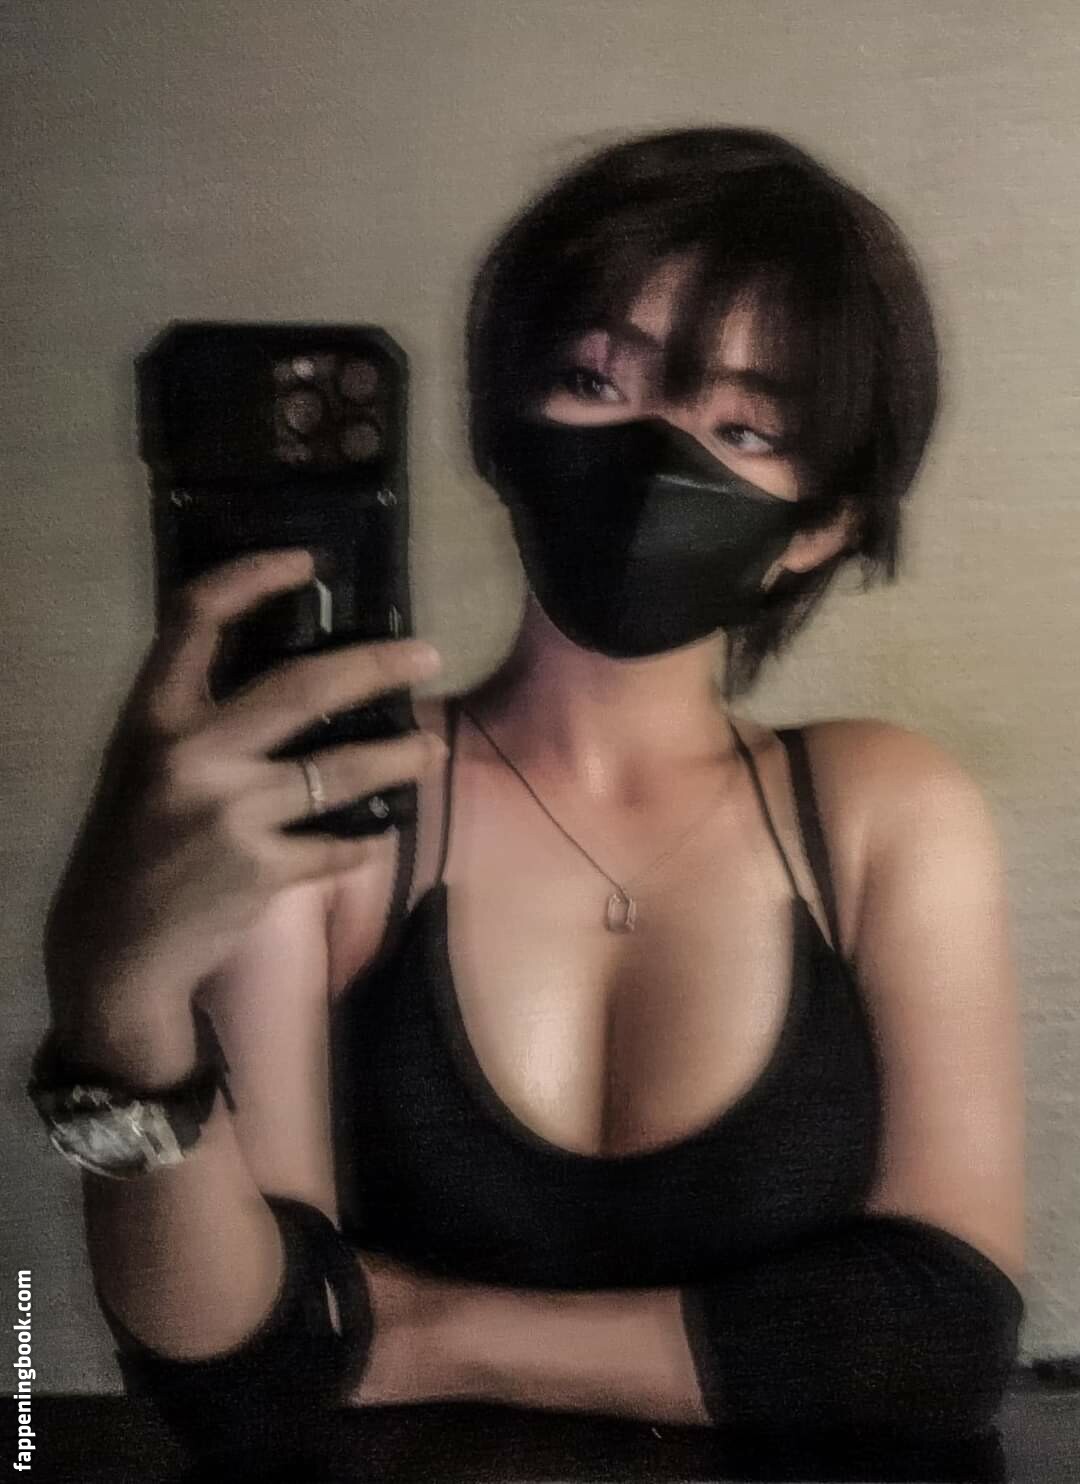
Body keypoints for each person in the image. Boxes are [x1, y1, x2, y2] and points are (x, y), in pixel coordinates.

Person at [31, 126, 1025, 1469]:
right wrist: (114, 1002)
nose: (659, 456)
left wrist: (419, 1331)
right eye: (595, 379)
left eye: (745, 427)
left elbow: (942, 1340)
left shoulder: (882, 812)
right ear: (503, 425)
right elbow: (236, 1373)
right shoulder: (335, 798)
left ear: (821, 528)